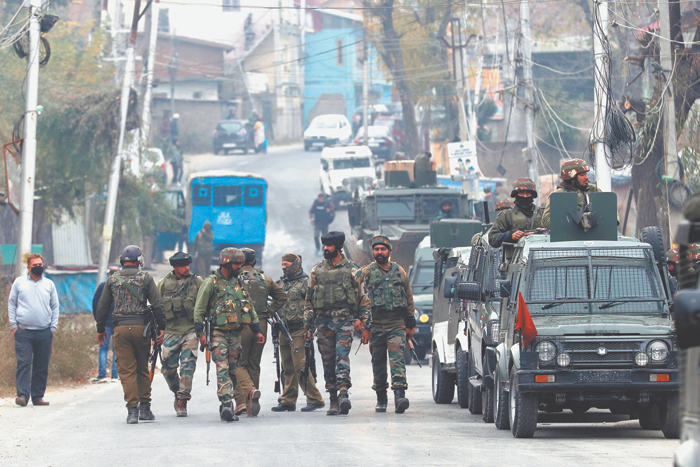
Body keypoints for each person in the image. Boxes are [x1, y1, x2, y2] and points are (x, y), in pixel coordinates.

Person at [193, 247, 265, 422]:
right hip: (218, 332)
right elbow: (199, 309)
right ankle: (226, 404)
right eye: (237, 263)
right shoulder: (211, 282)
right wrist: (200, 333)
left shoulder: (239, 283)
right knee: (222, 367)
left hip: (236, 334)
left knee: (233, 369)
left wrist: (257, 331)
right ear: (226, 262)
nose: (240, 266)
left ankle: (229, 402)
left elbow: (249, 307)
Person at [96, 245, 166, 424]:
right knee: (142, 368)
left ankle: (132, 412)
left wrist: (100, 329)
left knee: (126, 372)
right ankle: (145, 409)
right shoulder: (146, 277)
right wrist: (162, 328)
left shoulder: (113, 280)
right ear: (139, 261)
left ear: (122, 261)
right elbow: (157, 304)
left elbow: (102, 307)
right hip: (142, 330)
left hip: (120, 331)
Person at [304, 231, 371, 416]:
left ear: (338, 247)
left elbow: (363, 298)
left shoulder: (353, 270)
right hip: (323, 322)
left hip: (345, 321)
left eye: (329, 245)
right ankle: (333, 398)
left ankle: (343, 393)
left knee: (342, 356)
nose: (326, 248)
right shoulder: (316, 270)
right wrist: (307, 328)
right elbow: (309, 301)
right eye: (324, 245)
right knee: (327, 361)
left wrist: (365, 325)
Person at [360, 236, 415, 414]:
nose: (379, 252)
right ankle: (381, 399)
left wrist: (410, 323)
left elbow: (408, 297)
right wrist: (363, 326)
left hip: (395, 323)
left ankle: (399, 396)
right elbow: (358, 298)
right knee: (378, 362)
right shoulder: (366, 273)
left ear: (389, 252)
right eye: (376, 249)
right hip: (375, 323)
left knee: (397, 360)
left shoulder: (400, 272)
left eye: (383, 249)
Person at [234, 248, 287, 416]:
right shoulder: (265, 279)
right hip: (261, 324)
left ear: (239, 262)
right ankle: (251, 405)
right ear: (254, 262)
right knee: (254, 364)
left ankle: (242, 400)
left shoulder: (234, 279)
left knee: (238, 363)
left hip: (240, 326)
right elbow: (282, 296)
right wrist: (269, 312)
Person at [271, 253, 325, 412]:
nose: (283, 267)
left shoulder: (305, 284)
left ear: (295, 265)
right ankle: (288, 399)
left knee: (301, 365)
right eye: (282, 264)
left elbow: (313, 305)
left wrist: (310, 329)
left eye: (287, 264)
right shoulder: (280, 284)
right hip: (283, 330)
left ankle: (314, 398)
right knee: (287, 367)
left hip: (300, 329)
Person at [8, 254, 60, 407]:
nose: (39, 266)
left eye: (41, 264)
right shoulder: (19, 283)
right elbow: (12, 304)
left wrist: (53, 327)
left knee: (41, 364)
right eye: (35, 264)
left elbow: (55, 306)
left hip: (44, 331)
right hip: (23, 331)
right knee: (24, 363)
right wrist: (14, 326)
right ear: (28, 267)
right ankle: (23, 395)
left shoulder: (49, 284)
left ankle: (38, 397)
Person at [156, 252, 203, 417]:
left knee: (188, 366)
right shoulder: (163, 284)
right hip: (171, 331)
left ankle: (183, 400)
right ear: (175, 267)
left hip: (191, 331)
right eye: (183, 266)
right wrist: (158, 330)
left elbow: (206, 303)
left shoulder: (198, 282)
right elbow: (156, 307)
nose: (187, 268)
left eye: (188, 265)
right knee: (167, 368)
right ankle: (177, 391)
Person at [542, 159, 604, 228]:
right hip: (568, 236)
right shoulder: (559, 195)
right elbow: (545, 221)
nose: (587, 177)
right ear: (572, 179)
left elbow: (608, 211)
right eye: (582, 175)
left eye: (586, 174)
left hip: (594, 236)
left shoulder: (593, 190)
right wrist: (571, 219)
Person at [488, 178, 543, 248]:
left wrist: (544, 232)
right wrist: (511, 236)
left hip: (540, 255)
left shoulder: (542, 213)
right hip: (514, 257)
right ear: (516, 194)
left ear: (533, 194)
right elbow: (492, 238)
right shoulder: (507, 215)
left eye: (528, 193)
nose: (525, 196)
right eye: (522, 193)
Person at [91, 269, 119, 383]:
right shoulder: (122, 287)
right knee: (117, 350)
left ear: (109, 274)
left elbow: (95, 304)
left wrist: (98, 320)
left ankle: (102, 375)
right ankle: (115, 376)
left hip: (105, 323)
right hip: (118, 323)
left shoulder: (103, 286)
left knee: (103, 349)